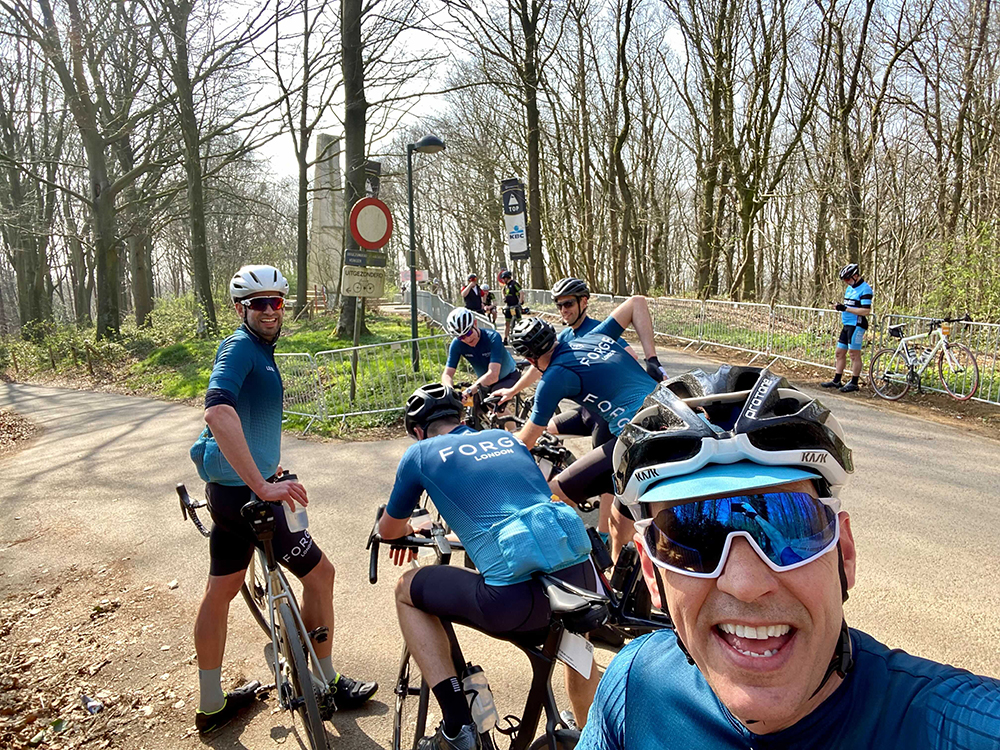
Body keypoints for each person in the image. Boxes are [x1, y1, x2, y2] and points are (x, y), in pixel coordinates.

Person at [578, 365, 1000, 749]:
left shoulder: (963, 727)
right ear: (652, 573)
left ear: (844, 554)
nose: (745, 584)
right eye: (692, 537)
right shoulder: (633, 689)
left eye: (789, 522)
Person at [188, 265, 376, 734]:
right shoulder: (239, 347)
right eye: (259, 303)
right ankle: (327, 682)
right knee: (321, 575)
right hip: (249, 498)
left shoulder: (259, 351)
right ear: (241, 309)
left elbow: (246, 418)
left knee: (220, 591)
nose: (270, 310)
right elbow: (217, 411)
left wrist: (266, 469)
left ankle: (210, 705)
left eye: (276, 301)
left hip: (226, 496)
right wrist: (263, 484)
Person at [379, 384, 602, 750]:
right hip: (580, 582)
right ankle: (594, 738)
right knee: (576, 652)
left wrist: (412, 528)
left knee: (406, 588)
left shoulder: (419, 453)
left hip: (515, 603)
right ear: (461, 417)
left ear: (418, 431)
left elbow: (389, 531)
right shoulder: (506, 438)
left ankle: (456, 729)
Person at [498, 297, 666, 555]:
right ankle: (617, 571)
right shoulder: (592, 338)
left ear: (530, 360)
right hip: (672, 414)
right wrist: (652, 358)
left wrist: (495, 452)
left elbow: (525, 442)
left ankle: (567, 558)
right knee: (617, 525)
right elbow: (636, 302)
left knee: (554, 493)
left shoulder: (552, 378)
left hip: (637, 438)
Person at [501, 278, 646, 453]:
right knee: (545, 430)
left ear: (583, 302)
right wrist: (512, 391)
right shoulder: (564, 337)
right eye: (559, 305)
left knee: (600, 460)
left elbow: (631, 356)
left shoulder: (595, 330)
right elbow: (540, 366)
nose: (563, 310)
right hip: (586, 408)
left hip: (607, 413)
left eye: (568, 304)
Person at [441, 307, 519, 399]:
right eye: (461, 337)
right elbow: (447, 374)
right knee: (473, 405)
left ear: (475, 323)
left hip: (508, 376)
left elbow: (493, 375)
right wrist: (451, 392)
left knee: (493, 401)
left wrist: (468, 392)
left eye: (469, 333)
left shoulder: (493, 337)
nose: (467, 339)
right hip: (484, 382)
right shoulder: (457, 344)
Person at [821, 263, 873, 393]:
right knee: (839, 352)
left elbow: (865, 311)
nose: (846, 282)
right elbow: (849, 306)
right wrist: (840, 307)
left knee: (854, 354)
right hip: (847, 324)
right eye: (844, 280)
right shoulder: (849, 288)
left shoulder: (865, 289)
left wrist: (845, 308)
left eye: (848, 279)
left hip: (857, 325)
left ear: (855, 275)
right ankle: (837, 380)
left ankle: (854, 382)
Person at [499, 269, 525, 344]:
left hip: (515, 306)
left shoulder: (514, 284)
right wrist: (503, 297)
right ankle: (505, 339)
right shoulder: (506, 286)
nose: (503, 280)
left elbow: (521, 292)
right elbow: (502, 291)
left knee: (519, 322)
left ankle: (522, 337)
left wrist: (520, 302)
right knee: (507, 323)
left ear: (507, 278)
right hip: (508, 306)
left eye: (503, 278)